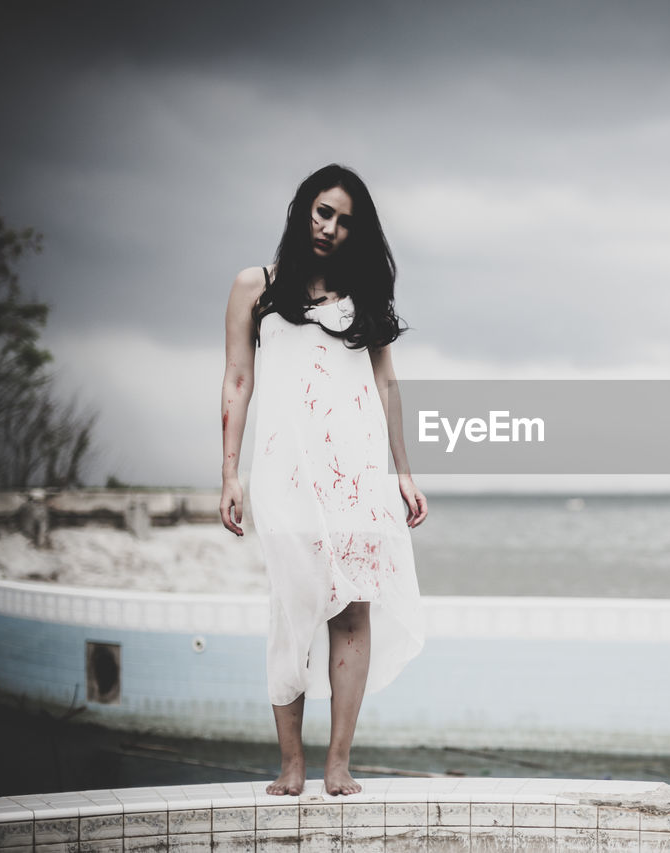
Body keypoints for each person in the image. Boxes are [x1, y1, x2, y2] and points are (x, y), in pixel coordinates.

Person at [218, 163, 427, 796]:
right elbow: (236, 379)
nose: (331, 228)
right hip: (284, 475)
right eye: (322, 212)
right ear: (302, 209)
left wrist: (404, 475)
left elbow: (386, 386)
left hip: (356, 476)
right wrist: (229, 474)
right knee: (291, 606)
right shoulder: (254, 287)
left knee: (352, 611)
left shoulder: (364, 302)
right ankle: (290, 764)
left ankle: (337, 762)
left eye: (345, 221)